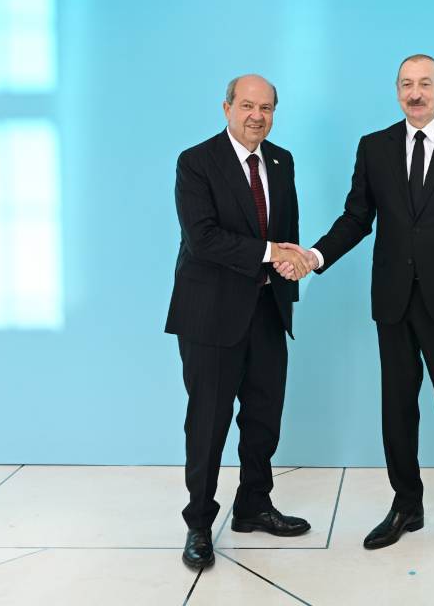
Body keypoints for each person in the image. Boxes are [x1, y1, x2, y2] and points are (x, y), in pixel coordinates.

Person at [279, 54, 434, 561]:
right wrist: (314, 256)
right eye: (407, 84)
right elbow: (356, 218)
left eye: (425, 83)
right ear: (397, 91)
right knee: (397, 409)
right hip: (393, 301)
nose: (415, 93)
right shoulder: (375, 146)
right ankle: (407, 505)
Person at [165, 74, 316, 572]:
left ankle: (254, 504)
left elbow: (287, 231)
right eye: (248, 105)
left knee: (263, 417)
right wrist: (274, 253)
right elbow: (203, 239)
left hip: (268, 310)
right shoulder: (196, 162)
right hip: (211, 315)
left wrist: (292, 265)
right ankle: (199, 523)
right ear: (226, 107)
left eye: (266, 108)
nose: (257, 116)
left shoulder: (281, 160)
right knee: (208, 423)